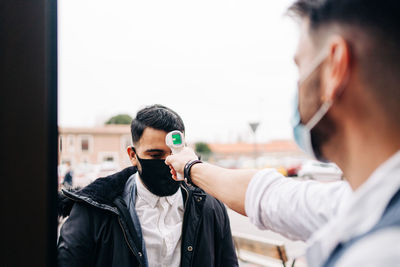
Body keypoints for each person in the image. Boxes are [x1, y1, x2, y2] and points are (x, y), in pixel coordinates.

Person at [166, 0, 400, 266]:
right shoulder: (366, 200)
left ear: (334, 67)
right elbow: (270, 197)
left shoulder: (379, 252)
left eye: (300, 66)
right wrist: (191, 166)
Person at [57, 105, 238, 267]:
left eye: (175, 153)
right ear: (133, 155)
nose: (168, 162)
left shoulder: (210, 208)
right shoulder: (93, 211)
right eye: (155, 155)